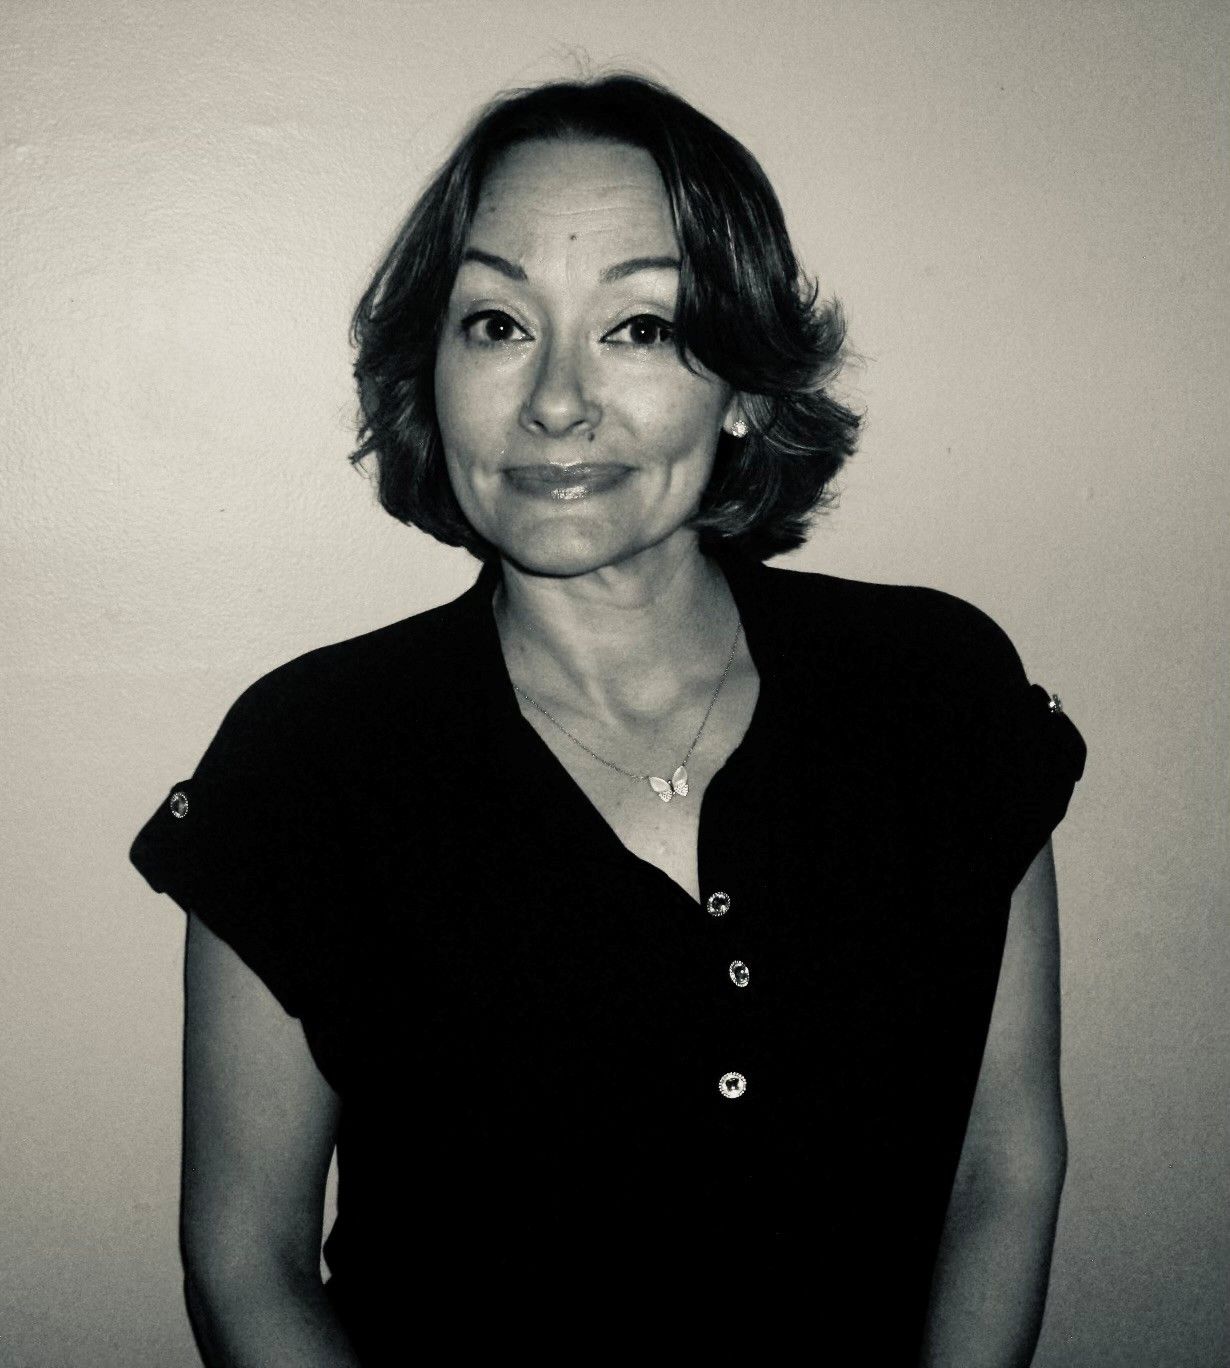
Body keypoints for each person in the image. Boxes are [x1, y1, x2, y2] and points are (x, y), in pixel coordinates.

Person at [131, 74, 1087, 1365]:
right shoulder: (308, 760)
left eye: (638, 326)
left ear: (743, 386)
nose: (557, 402)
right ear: (433, 372)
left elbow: (1002, 1163)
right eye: (495, 323)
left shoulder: (936, 689)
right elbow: (247, 1264)